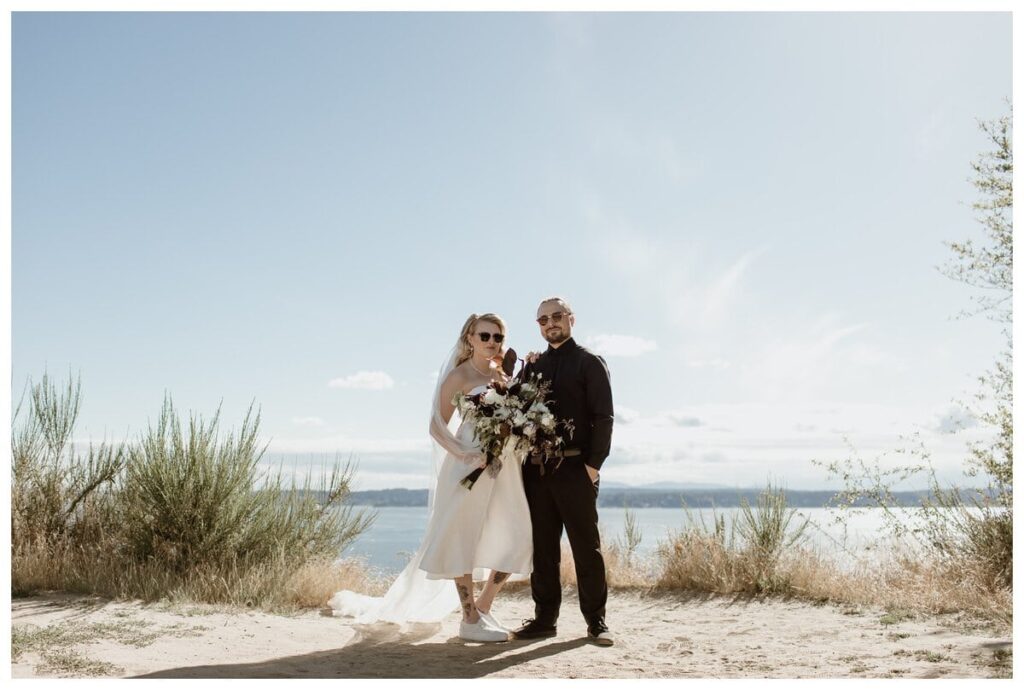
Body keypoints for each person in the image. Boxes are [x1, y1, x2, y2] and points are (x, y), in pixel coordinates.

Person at [329, 313, 532, 643]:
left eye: (498, 337)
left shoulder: (503, 374)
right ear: (469, 338)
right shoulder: (459, 375)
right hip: (470, 464)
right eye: (485, 336)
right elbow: (436, 425)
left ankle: (482, 606)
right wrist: (464, 453)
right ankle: (468, 619)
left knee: (517, 533)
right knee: (461, 536)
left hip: (504, 466)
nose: (492, 342)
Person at [512, 297, 614, 646]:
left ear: (571, 318)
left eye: (556, 316)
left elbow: (603, 418)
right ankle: (544, 620)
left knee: (587, 548)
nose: (550, 324)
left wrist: (592, 466)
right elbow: (516, 411)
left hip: (575, 468)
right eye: (543, 320)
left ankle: (596, 622)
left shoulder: (590, 363)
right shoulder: (532, 366)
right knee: (542, 549)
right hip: (537, 472)